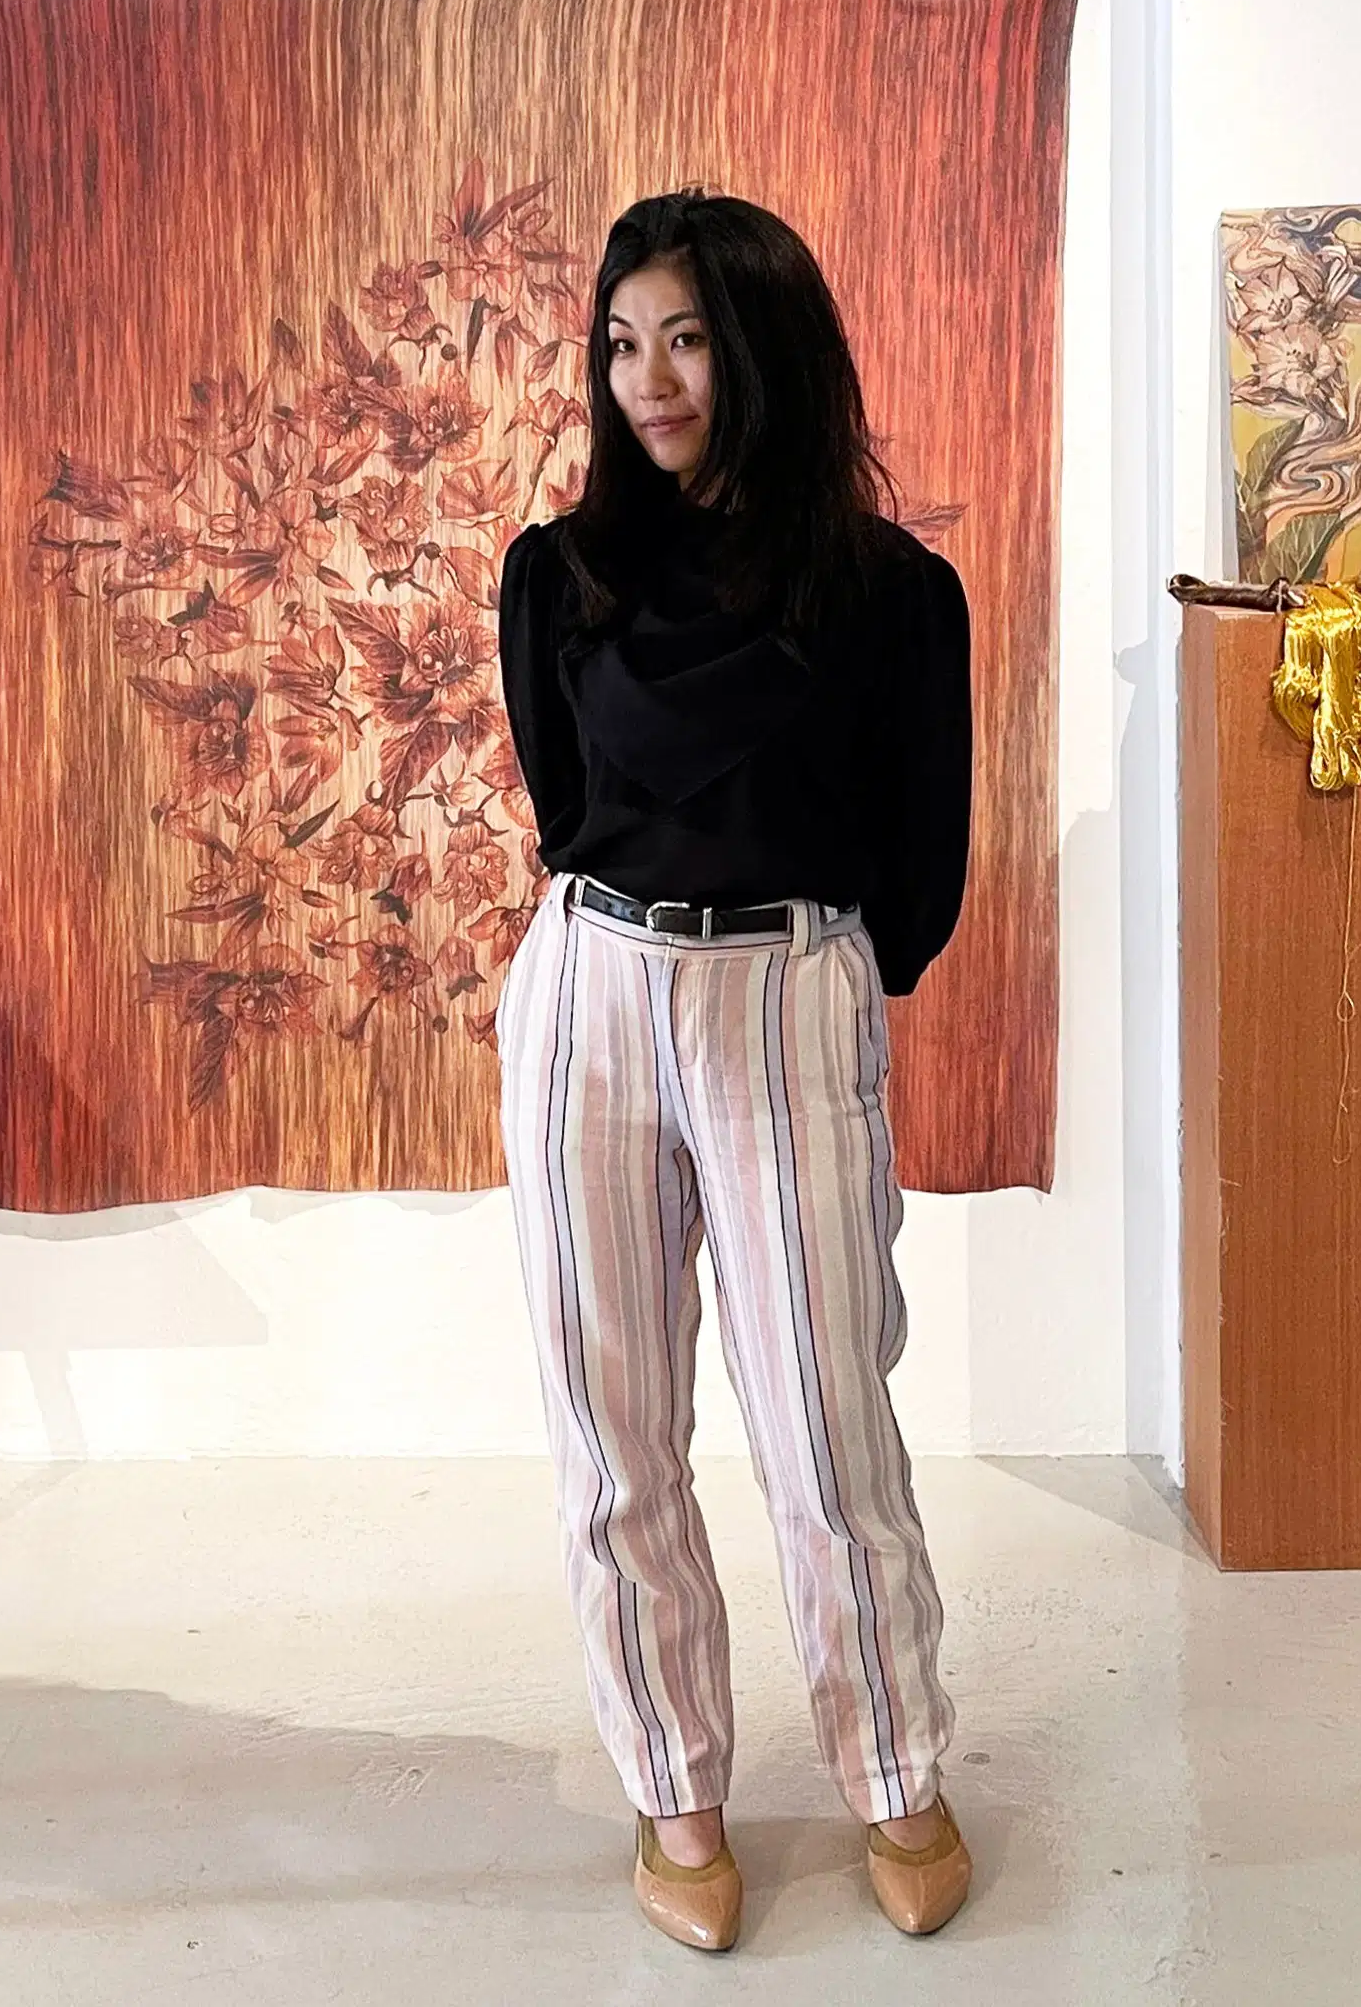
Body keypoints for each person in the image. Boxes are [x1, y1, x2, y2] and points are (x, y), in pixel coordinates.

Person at [493, 189, 976, 1953]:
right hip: (590, 995)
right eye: (622, 343)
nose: (649, 379)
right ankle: (672, 1785)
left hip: (786, 993)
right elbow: (567, 810)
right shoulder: (557, 576)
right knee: (612, 1429)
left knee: (827, 1423)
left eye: (686, 339)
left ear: (763, 349)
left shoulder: (891, 593)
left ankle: (895, 1767)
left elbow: (921, 860)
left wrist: (814, 979)